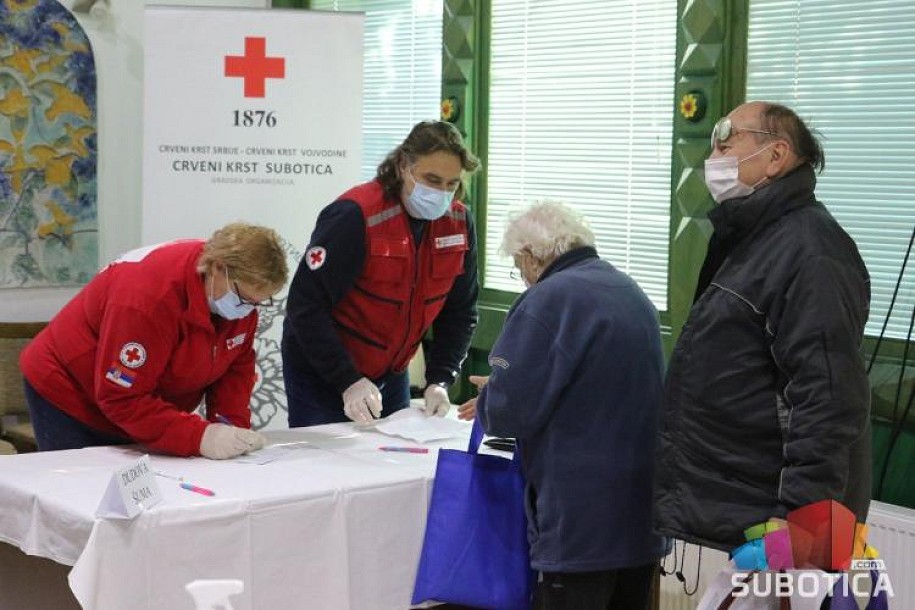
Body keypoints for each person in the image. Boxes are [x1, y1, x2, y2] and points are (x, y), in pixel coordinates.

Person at [654, 101, 872, 551]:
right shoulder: (755, 238)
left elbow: (827, 400)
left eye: (726, 141)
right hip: (745, 507)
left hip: (779, 523)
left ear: (776, 156)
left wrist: (799, 528)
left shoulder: (812, 253)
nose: (713, 156)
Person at [470, 201, 666, 610]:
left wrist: (493, 393)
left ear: (531, 256)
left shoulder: (546, 300)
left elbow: (508, 412)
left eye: (518, 267)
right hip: (642, 510)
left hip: (579, 519)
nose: (523, 278)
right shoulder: (629, 291)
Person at [20, 223, 288, 459]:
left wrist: (230, 429)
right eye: (243, 299)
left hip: (139, 406)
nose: (247, 309)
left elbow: (234, 369)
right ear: (218, 267)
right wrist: (199, 437)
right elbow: (121, 398)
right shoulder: (147, 299)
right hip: (70, 391)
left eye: (258, 303)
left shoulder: (237, 299)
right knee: (82, 492)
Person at [282, 121, 480, 427]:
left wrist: (440, 379)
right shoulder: (355, 215)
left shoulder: (458, 223)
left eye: (451, 184)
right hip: (323, 372)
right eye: (432, 179)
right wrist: (348, 380)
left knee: (394, 451)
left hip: (391, 372)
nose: (441, 192)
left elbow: (460, 311)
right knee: (325, 456)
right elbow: (306, 306)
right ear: (403, 166)